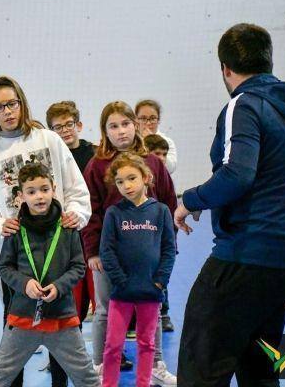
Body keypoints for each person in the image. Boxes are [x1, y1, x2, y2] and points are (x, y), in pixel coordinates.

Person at [175, 23, 285, 387]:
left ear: (226, 69)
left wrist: (190, 200)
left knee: (201, 368)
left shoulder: (243, 104)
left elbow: (237, 175)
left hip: (247, 255)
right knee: (259, 365)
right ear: (269, 61)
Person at [0, 76, 91, 387]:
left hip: (57, 254)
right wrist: (0, 225)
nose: (7, 111)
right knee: (16, 334)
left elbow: (77, 189)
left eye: (12, 103)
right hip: (16, 260)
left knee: (63, 333)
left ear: (22, 103)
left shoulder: (49, 140)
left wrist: (75, 215)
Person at [83, 100, 178, 386]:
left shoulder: (152, 163)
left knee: (154, 307)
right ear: (105, 131)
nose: (121, 131)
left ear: (135, 125)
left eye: (125, 124)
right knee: (104, 309)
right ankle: (101, 365)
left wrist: (167, 250)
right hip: (108, 255)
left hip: (147, 255)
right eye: (113, 126)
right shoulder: (96, 166)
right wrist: (92, 251)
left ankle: (157, 364)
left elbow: (168, 202)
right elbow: (90, 211)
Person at [0, 163, 100, 387]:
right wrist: (25, 284)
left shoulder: (67, 227)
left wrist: (59, 286)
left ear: (54, 188)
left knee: (87, 377)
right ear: (21, 195)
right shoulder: (15, 229)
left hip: (62, 318)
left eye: (44, 189)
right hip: (23, 318)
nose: (39, 196)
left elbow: (78, 267)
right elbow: (4, 268)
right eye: (32, 191)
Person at [100, 153, 176, 387]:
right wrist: (120, 281)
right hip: (122, 291)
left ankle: (143, 383)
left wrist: (160, 281)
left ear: (146, 177)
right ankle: (108, 384)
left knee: (147, 343)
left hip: (151, 291)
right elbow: (107, 251)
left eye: (131, 178)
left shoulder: (160, 211)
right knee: (113, 344)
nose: (126, 186)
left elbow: (168, 250)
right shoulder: (114, 213)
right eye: (120, 182)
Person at [45, 100, 97, 385]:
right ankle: (61, 368)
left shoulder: (94, 154)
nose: (64, 131)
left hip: (92, 240)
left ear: (78, 124)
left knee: (101, 307)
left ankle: (102, 361)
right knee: (69, 310)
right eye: (58, 127)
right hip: (64, 246)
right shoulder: (51, 158)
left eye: (68, 124)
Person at [143, 133, 176, 332]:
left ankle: (163, 313)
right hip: (142, 235)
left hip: (161, 235)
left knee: (162, 274)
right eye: (157, 153)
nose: (162, 158)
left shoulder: (164, 178)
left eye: (164, 154)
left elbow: (170, 203)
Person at [135, 99, 177, 174]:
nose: (148, 123)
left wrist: (152, 140)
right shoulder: (131, 141)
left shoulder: (167, 141)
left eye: (152, 118)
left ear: (158, 120)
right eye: (143, 118)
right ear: (136, 120)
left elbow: (170, 168)